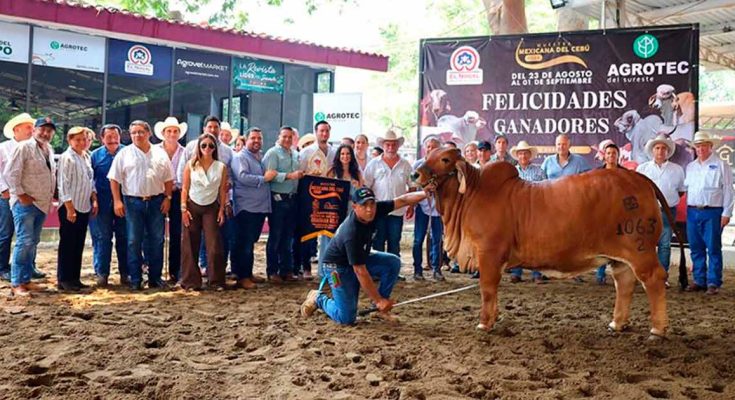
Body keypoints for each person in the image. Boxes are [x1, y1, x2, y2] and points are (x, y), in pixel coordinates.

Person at [300, 187, 428, 324]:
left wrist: (427, 193)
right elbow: (360, 271)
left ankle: (377, 310)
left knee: (392, 262)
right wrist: (378, 300)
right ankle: (319, 298)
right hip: (337, 268)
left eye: (372, 204)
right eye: (364, 205)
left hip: (360, 258)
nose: (369, 209)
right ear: (355, 206)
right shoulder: (351, 232)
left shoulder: (375, 210)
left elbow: (403, 200)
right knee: (346, 318)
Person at [108, 120, 174, 291]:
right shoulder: (124, 154)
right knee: (133, 241)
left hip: (156, 201)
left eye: (140, 132)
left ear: (148, 133)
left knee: (157, 240)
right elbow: (114, 179)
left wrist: (168, 198)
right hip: (132, 201)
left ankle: (155, 278)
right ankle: (136, 278)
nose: (137, 135)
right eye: (134, 132)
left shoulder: (160, 153)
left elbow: (168, 178)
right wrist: (117, 200)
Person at [4, 117, 57, 296]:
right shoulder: (24, 147)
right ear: (34, 130)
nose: (45, 133)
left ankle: (26, 279)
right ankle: (17, 282)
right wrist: (20, 194)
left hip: (41, 203)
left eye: (49, 130)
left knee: (33, 242)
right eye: (42, 129)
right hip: (25, 203)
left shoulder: (49, 149)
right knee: (24, 242)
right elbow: (11, 173)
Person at [684, 132, 733, 295]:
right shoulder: (690, 167)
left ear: (710, 147)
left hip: (713, 211)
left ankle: (713, 281)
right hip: (692, 211)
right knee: (696, 247)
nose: (700, 149)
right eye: (698, 146)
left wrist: (727, 213)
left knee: (713, 247)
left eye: (704, 145)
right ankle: (699, 280)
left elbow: (728, 190)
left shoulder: (721, 165)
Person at [179, 133, 229, 291]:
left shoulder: (221, 167)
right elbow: (185, 188)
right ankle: (190, 281)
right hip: (192, 205)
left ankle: (216, 281)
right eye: (204, 145)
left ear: (215, 148)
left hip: (211, 206)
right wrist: (183, 209)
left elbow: (222, 190)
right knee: (189, 243)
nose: (207, 148)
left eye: (211, 145)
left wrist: (221, 209)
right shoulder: (191, 165)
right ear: (199, 147)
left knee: (214, 244)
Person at [636, 134, 685, 287]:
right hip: (647, 212)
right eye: (657, 148)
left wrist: (667, 201)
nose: (660, 151)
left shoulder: (677, 170)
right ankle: (645, 276)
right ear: (653, 150)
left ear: (667, 151)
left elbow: (680, 191)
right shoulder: (642, 168)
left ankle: (661, 277)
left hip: (668, 211)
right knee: (646, 245)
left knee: (664, 244)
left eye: (663, 148)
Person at [231, 128, 274, 289]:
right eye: (253, 138)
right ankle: (243, 277)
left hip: (259, 207)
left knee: (251, 242)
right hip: (246, 207)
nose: (256, 141)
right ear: (246, 139)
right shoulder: (240, 157)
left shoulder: (259, 157)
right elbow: (242, 177)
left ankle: (248, 273)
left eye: (259, 138)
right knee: (245, 243)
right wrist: (264, 179)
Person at [56, 127, 98, 291]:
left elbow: (90, 180)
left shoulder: (86, 156)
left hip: (84, 205)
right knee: (68, 243)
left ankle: (74, 278)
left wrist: (94, 197)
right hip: (71, 207)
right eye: (78, 139)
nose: (82, 142)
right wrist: (69, 208)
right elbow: (63, 184)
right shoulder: (68, 158)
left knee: (78, 243)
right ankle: (64, 279)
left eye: (85, 139)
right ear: (70, 140)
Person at [364, 129, 414, 257]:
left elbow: (412, 186)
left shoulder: (406, 164)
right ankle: (379, 272)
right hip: (378, 210)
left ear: (397, 146)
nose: (391, 147)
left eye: (393, 144)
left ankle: (394, 271)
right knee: (378, 242)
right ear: (383, 146)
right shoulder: (373, 164)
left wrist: (411, 206)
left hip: (397, 210)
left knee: (395, 242)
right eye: (388, 144)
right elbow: (366, 187)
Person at [263, 126, 304, 283]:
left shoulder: (295, 154)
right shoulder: (273, 153)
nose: (287, 139)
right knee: (275, 236)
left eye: (290, 137)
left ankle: (286, 269)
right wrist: (289, 175)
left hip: (292, 199)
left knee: (288, 237)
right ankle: (272, 271)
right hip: (278, 198)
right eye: (284, 136)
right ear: (279, 136)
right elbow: (269, 175)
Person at [90, 124, 128, 287]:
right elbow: (90, 180)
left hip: (125, 201)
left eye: (115, 136)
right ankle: (102, 273)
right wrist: (94, 199)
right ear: (102, 138)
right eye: (108, 136)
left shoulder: (128, 152)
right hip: (102, 202)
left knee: (125, 237)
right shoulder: (94, 156)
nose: (112, 139)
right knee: (102, 238)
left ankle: (126, 273)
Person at [298, 121, 337, 279]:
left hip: (329, 197)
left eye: (327, 131)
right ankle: (306, 267)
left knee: (328, 233)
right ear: (316, 132)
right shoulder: (306, 152)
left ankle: (325, 268)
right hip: (310, 195)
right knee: (309, 233)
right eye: (321, 131)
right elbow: (300, 174)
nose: (324, 134)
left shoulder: (334, 152)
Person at [0, 113, 35, 282]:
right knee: (6, 232)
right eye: (28, 127)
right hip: (8, 196)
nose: (32, 130)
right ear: (16, 129)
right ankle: (2, 267)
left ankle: (29, 266)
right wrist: (3, 189)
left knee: (30, 234)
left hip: (28, 196)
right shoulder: (3, 147)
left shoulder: (34, 148)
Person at [507, 141, 547, 284]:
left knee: (536, 242)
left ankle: (537, 273)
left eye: (525, 153)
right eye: (520, 153)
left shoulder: (539, 171)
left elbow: (545, 190)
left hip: (535, 211)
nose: (523, 155)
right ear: (517, 156)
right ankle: (516, 272)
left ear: (530, 155)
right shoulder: (512, 172)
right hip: (516, 211)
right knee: (516, 242)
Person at [154, 117, 186, 283]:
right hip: (158, 194)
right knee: (155, 233)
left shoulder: (185, 151)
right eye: (169, 131)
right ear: (163, 133)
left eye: (175, 131)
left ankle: (176, 270)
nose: (172, 134)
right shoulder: (154, 150)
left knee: (176, 233)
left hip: (178, 193)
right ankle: (154, 270)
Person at [412, 136, 444, 281]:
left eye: (434, 147)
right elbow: (413, 184)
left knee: (437, 239)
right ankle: (417, 270)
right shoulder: (418, 164)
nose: (431, 149)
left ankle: (437, 269)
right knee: (418, 239)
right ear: (425, 148)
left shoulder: (442, 165)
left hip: (438, 207)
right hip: (422, 205)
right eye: (429, 146)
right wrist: (425, 188)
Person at [595, 142, 626, 284]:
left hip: (620, 214)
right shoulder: (597, 174)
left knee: (620, 246)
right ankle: (600, 275)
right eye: (608, 153)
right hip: (602, 215)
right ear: (604, 156)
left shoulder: (625, 175)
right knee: (601, 245)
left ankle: (620, 276)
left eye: (614, 153)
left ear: (618, 156)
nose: (611, 156)